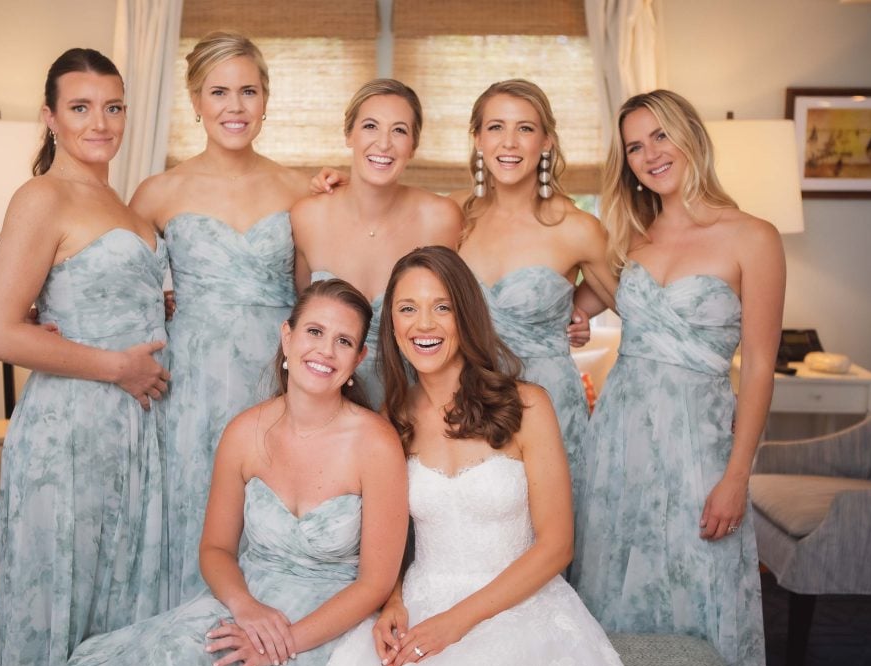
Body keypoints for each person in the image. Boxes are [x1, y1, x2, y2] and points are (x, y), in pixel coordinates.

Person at [62, 279, 409, 666]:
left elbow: (375, 584)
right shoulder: (244, 433)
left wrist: (283, 643)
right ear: (287, 336)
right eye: (314, 331)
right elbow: (215, 549)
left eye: (343, 341)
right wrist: (246, 607)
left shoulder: (376, 444)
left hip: (330, 620)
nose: (326, 351)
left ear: (359, 357)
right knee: (173, 659)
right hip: (249, 601)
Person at [319, 247, 630, 666]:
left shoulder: (528, 406)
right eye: (408, 309)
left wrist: (456, 623)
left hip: (521, 606)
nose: (424, 324)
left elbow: (557, 546)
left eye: (441, 307)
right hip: (422, 604)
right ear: (392, 325)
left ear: (465, 315)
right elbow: (388, 542)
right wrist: (392, 601)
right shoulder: (393, 420)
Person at [575, 90, 783, 666]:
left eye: (660, 136)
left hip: (699, 441)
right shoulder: (630, 239)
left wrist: (737, 476)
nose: (650, 154)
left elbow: (760, 365)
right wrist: (577, 315)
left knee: (700, 577)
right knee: (612, 581)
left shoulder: (754, 237)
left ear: (691, 135)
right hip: (618, 442)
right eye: (635, 146)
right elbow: (576, 301)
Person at [0, 48, 169, 666]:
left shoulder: (122, 203)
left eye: (114, 107)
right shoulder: (42, 196)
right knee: (62, 593)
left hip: (133, 430)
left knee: (112, 604)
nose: (101, 123)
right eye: (81, 108)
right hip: (72, 428)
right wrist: (119, 367)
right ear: (50, 116)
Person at [130, 31, 311, 604]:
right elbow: (120, 283)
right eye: (219, 92)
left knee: (273, 507)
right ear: (195, 101)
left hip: (276, 376)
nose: (235, 106)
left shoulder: (301, 190)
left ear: (266, 99)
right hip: (191, 384)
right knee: (198, 506)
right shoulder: (157, 192)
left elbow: (316, 292)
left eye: (248, 91)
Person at [450, 79, 618, 583]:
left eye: (525, 128)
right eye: (495, 127)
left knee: (547, 553)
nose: (509, 142)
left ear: (546, 141)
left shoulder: (576, 227)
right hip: (465, 401)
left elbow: (635, 297)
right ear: (477, 138)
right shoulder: (452, 217)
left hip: (548, 406)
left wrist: (576, 307)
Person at [292, 79, 464, 408]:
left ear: (413, 145)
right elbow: (301, 310)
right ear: (349, 134)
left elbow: (460, 311)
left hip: (414, 400)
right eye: (370, 126)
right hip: (327, 396)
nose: (384, 143)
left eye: (399, 130)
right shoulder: (307, 216)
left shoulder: (441, 218)